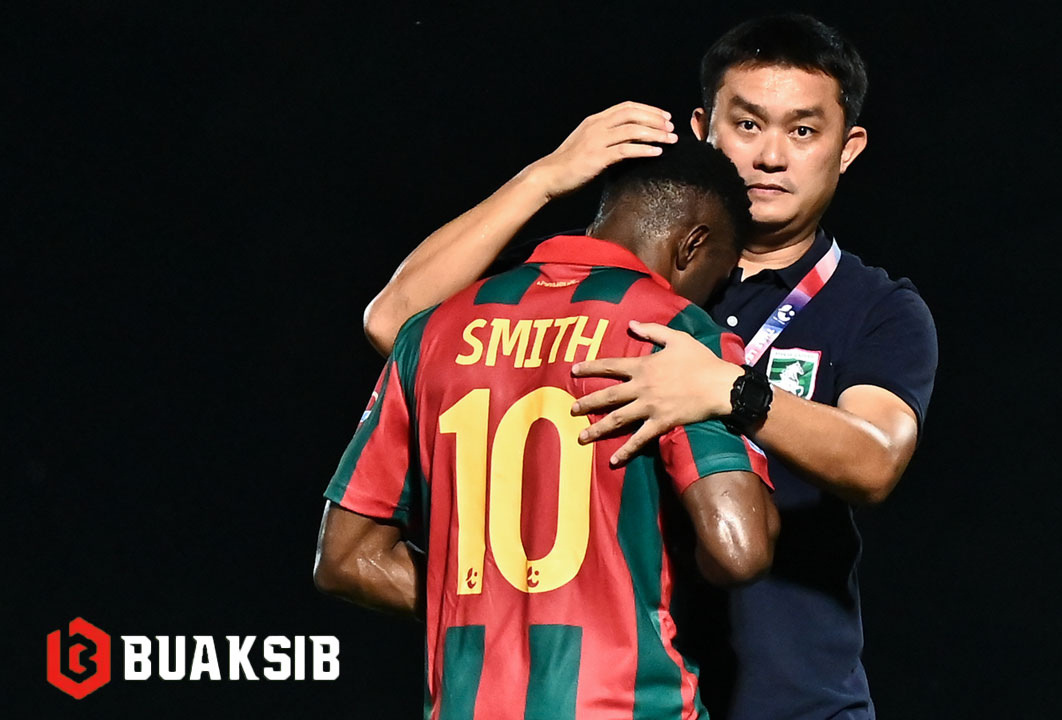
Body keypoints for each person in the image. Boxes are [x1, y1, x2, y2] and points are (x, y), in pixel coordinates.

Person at [360, 14, 937, 719]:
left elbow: (876, 461)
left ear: (848, 149)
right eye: (747, 124)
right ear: (703, 129)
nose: (771, 156)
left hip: (799, 703)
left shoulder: (875, 307)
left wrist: (730, 391)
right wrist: (545, 178)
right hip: (624, 698)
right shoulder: (604, 286)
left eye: (803, 131)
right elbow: (398, 322)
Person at [314, 139, 779, 719]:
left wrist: (498, 601)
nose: (715, 293)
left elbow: (345, 558)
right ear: (693, 245)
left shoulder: (431, 332)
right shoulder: (676, 333)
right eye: (720, 276)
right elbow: (739, 549)